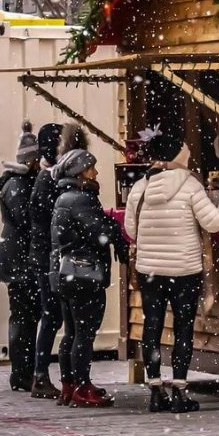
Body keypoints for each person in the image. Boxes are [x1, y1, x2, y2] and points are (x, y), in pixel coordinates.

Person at [125, 133, 219, 413]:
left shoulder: (141, 187)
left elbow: (130, 230)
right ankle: (180, 391)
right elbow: (214, 223)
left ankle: (155, 389)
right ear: (177, 156)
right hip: (184, 271)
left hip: (150, 270)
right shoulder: (191, 187)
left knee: (152, 327)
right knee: (183, 329)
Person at [51, 147, 127, 408]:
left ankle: (69, 385)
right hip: (84, 274)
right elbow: (98, 234)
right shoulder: (81, 199)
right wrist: (114, 226)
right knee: (84, 333)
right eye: (91, 167)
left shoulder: (64, 198)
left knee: (71, 332)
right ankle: (82, 387)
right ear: (80, 172)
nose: (96, 171)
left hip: (67, 274)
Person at [0, 121, 40, 392]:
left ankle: (22, 372)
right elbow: (25, 220)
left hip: (17, 259)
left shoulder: (17, 183)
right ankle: (22, 373)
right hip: (19, 261)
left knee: (24, 317)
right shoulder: (19, 185)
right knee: (23, 317)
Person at [29, 122, 64, 399]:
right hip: (47, 257)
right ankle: (40, 374)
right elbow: (46, 221)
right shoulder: (47, 179)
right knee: (52, 315)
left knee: (52, 316)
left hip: (46, 255)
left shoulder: (46, 177)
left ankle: (41, 373)